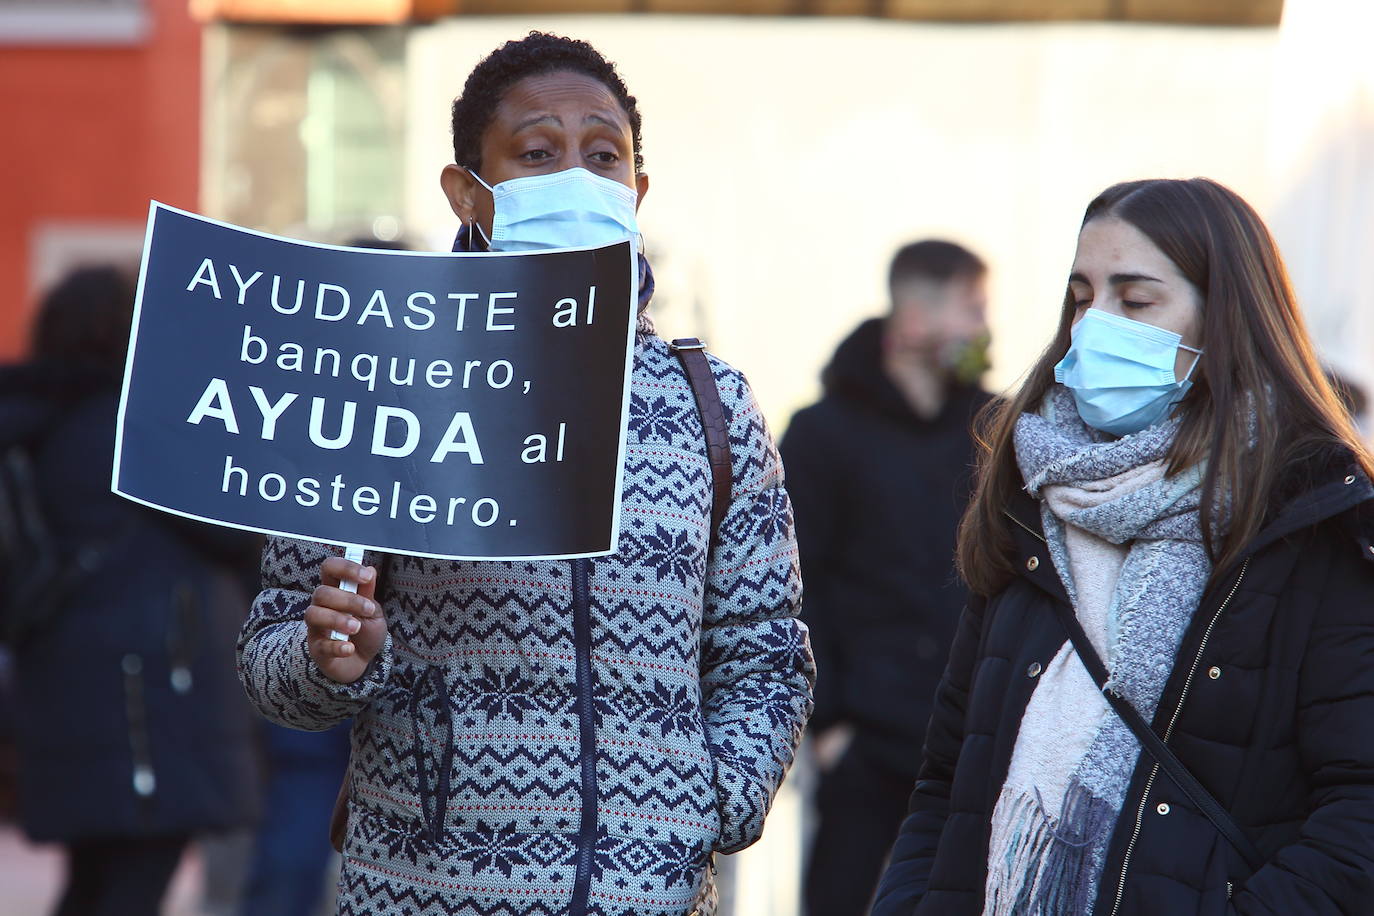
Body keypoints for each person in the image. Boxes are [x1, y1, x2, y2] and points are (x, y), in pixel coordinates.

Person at [236, 32, 814, 916]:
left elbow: (767, 650)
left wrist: (708, 805)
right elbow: (273, 656)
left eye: (604, 154)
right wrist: (332, 663)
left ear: (637, 191)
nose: (576, 177)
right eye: (537, 154)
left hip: (652, 895)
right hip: (426, 890)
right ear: (470, 194)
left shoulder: (712, 404)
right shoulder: (385, 388)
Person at [871, 177, 1374, 915]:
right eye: (1082, 297)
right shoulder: (1030, 496)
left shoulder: (1310, 518)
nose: (1094, 325)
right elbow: (950, 783)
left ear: (1228, 318)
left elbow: (1358, 812)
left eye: (1135, 301)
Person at [0, 265, 262, 916]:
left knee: (93, 879)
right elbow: (233, 534)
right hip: (153, 703)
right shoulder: (145, 425)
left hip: (61, 689)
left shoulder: (34, 422)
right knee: (131, 884)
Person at [779, 240, 992, 915]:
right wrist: (831, 724)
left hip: (970, 745)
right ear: (913, 323)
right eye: (973, 309)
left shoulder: (995, 428)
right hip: (862, 748)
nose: (984, 332)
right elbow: (795, 581)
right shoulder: (820, 435)